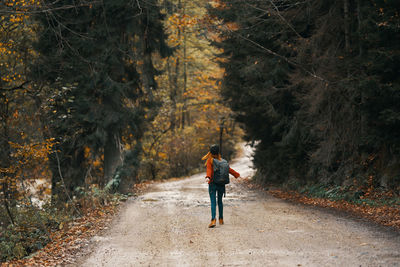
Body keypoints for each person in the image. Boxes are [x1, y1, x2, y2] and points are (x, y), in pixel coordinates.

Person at [202, 144, 240, 228]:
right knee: (220, 201)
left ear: (210, 152)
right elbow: (229, 169)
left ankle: (213, 220)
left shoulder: (210, 160)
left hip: (212, 183)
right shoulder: (222, 161)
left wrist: (208, 177)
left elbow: (208, 169)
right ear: (218, 152)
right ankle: (221, 219)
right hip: (221, 184)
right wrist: (236, 175)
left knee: (213, 201)